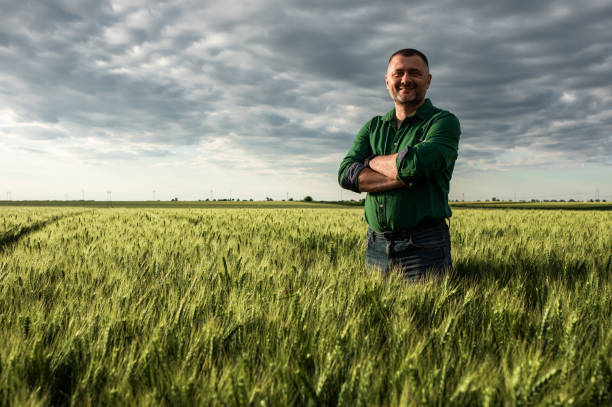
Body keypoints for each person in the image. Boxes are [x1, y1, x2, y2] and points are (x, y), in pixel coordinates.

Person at [338, 48, 461, 280]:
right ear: (387, 81)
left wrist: (370, 161)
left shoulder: (443, 122)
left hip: (425, 247)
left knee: (425, 315)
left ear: (428, 80)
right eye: (398, 73)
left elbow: (413, 165)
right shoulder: (373, 126)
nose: (405, 80)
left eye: (414, 73)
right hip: (376, 244)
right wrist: (406, 176)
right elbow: (346, 175)